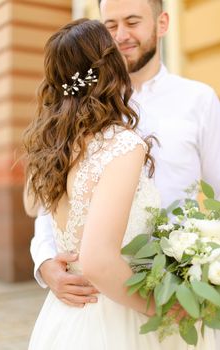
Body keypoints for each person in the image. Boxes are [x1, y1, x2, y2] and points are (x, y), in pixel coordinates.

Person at [28, 0, 220, 310]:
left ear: (162, 24)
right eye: (111, 26)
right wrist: (45, 262)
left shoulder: (198, 100)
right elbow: (52, 196)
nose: (120, 35)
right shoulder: (80, 108)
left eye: (132, 22)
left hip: (177, 287)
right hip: (99, 296)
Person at [25, 18, 186, 349]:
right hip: (117, 315)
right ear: (110, 67)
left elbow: (32, 206)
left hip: (65, 315)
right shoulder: (122, 146)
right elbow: (98, 260)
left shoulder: (54, 147)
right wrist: (163, 308)